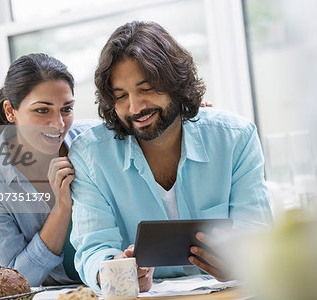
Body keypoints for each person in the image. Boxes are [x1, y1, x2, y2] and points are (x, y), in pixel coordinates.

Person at [68, 21, 273, 292]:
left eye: (146, 89)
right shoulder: (90, 155)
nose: (134, 107)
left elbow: (257, 235)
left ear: (175, 83)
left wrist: (241, 261)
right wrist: (114, 270)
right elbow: (92, 248)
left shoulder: (235, 138)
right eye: (121, 96)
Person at [0, 53, 99, 286]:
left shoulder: (93, 140)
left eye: (66, 109)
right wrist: (61, 208)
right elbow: (17, 279)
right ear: (10, 111)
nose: (58, 124)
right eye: (42, 110)